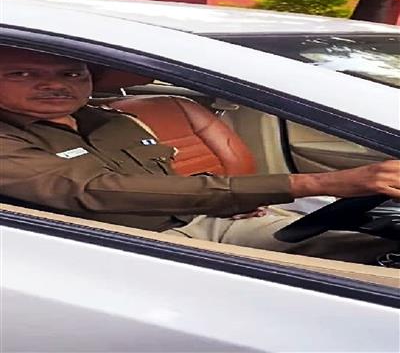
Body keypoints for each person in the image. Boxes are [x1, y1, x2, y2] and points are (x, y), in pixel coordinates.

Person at [0, 47, 399, 263]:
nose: (54, 85)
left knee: (372, 245)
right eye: (22, 74)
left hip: (207, 219)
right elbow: (94, 190)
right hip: (136, 251)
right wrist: (319, 183)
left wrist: (230, 200)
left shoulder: (110, 119)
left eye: (71, 74)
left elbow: (154, 181)